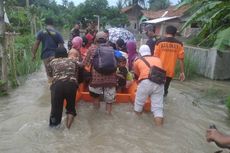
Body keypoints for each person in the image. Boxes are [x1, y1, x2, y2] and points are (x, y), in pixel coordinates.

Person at [47, 50, 80, 129]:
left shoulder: (52, 62)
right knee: (71, 108)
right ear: (66, 55)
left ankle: (55, 131)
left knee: (55, 110)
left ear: (56, 56)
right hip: (71, 85)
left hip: (57, 86)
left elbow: (50, 75)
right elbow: (76, 73)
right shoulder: (73, 61)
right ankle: (68, 127)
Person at [85, 31, 117, 114]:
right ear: (106, 39)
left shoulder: (92, 48)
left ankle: (97, 116)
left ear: (96, 39)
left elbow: (85, 63)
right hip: (111, 78)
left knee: (96, 97)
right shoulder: (111, 49)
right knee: (109, 102)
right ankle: (108, 116)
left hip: (96, 79)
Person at [133, 45, 164, 126]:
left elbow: (137, 74)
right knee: (158, 108)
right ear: (150, 52)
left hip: (145, 82)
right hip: (159, 83)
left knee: (138, 105)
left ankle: (137, 127)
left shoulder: (137, 60)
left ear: (140, 53)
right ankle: (159, 129)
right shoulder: (158, 59)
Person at [154, 25, 185, 97]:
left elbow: (155, 57)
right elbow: (181, 59)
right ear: (175, 34)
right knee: (165, 89)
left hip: (159, 70)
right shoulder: (179, 44)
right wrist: (182, 72)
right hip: (170, 71)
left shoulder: (159, 42)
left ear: (166, 32)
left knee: (157, 90)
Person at [32, 18, 65, 83]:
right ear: (53, 24)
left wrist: (33, 54)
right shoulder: (57, 33)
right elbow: (62, 47)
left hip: (45, 55)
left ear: (45, 24)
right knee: (55, 72)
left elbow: (36, 44)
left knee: (49, 74)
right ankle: (55, 87)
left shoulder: (41, 32)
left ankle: (49, 86)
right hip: (55, 55)